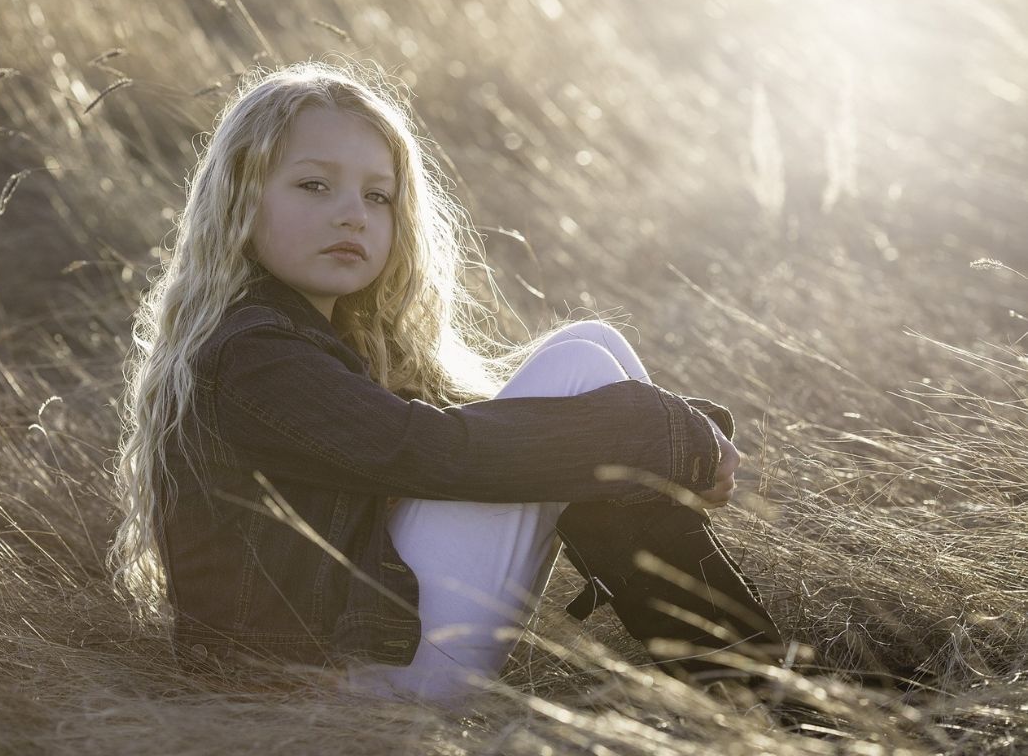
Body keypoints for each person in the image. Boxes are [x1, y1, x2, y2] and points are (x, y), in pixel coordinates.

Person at [109, 59, 783, 706]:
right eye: (315, 185)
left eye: (378, 195)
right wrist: (656, 434)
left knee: (589, 350)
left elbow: (452, 441)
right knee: (583, 372)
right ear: (239, 197)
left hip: (358, 656)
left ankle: (745, 684)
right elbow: (431, 452)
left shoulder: (300, 337)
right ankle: (756, 685)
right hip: (323, 687)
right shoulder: (255, 354)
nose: (353, 213)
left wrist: (662, 434)